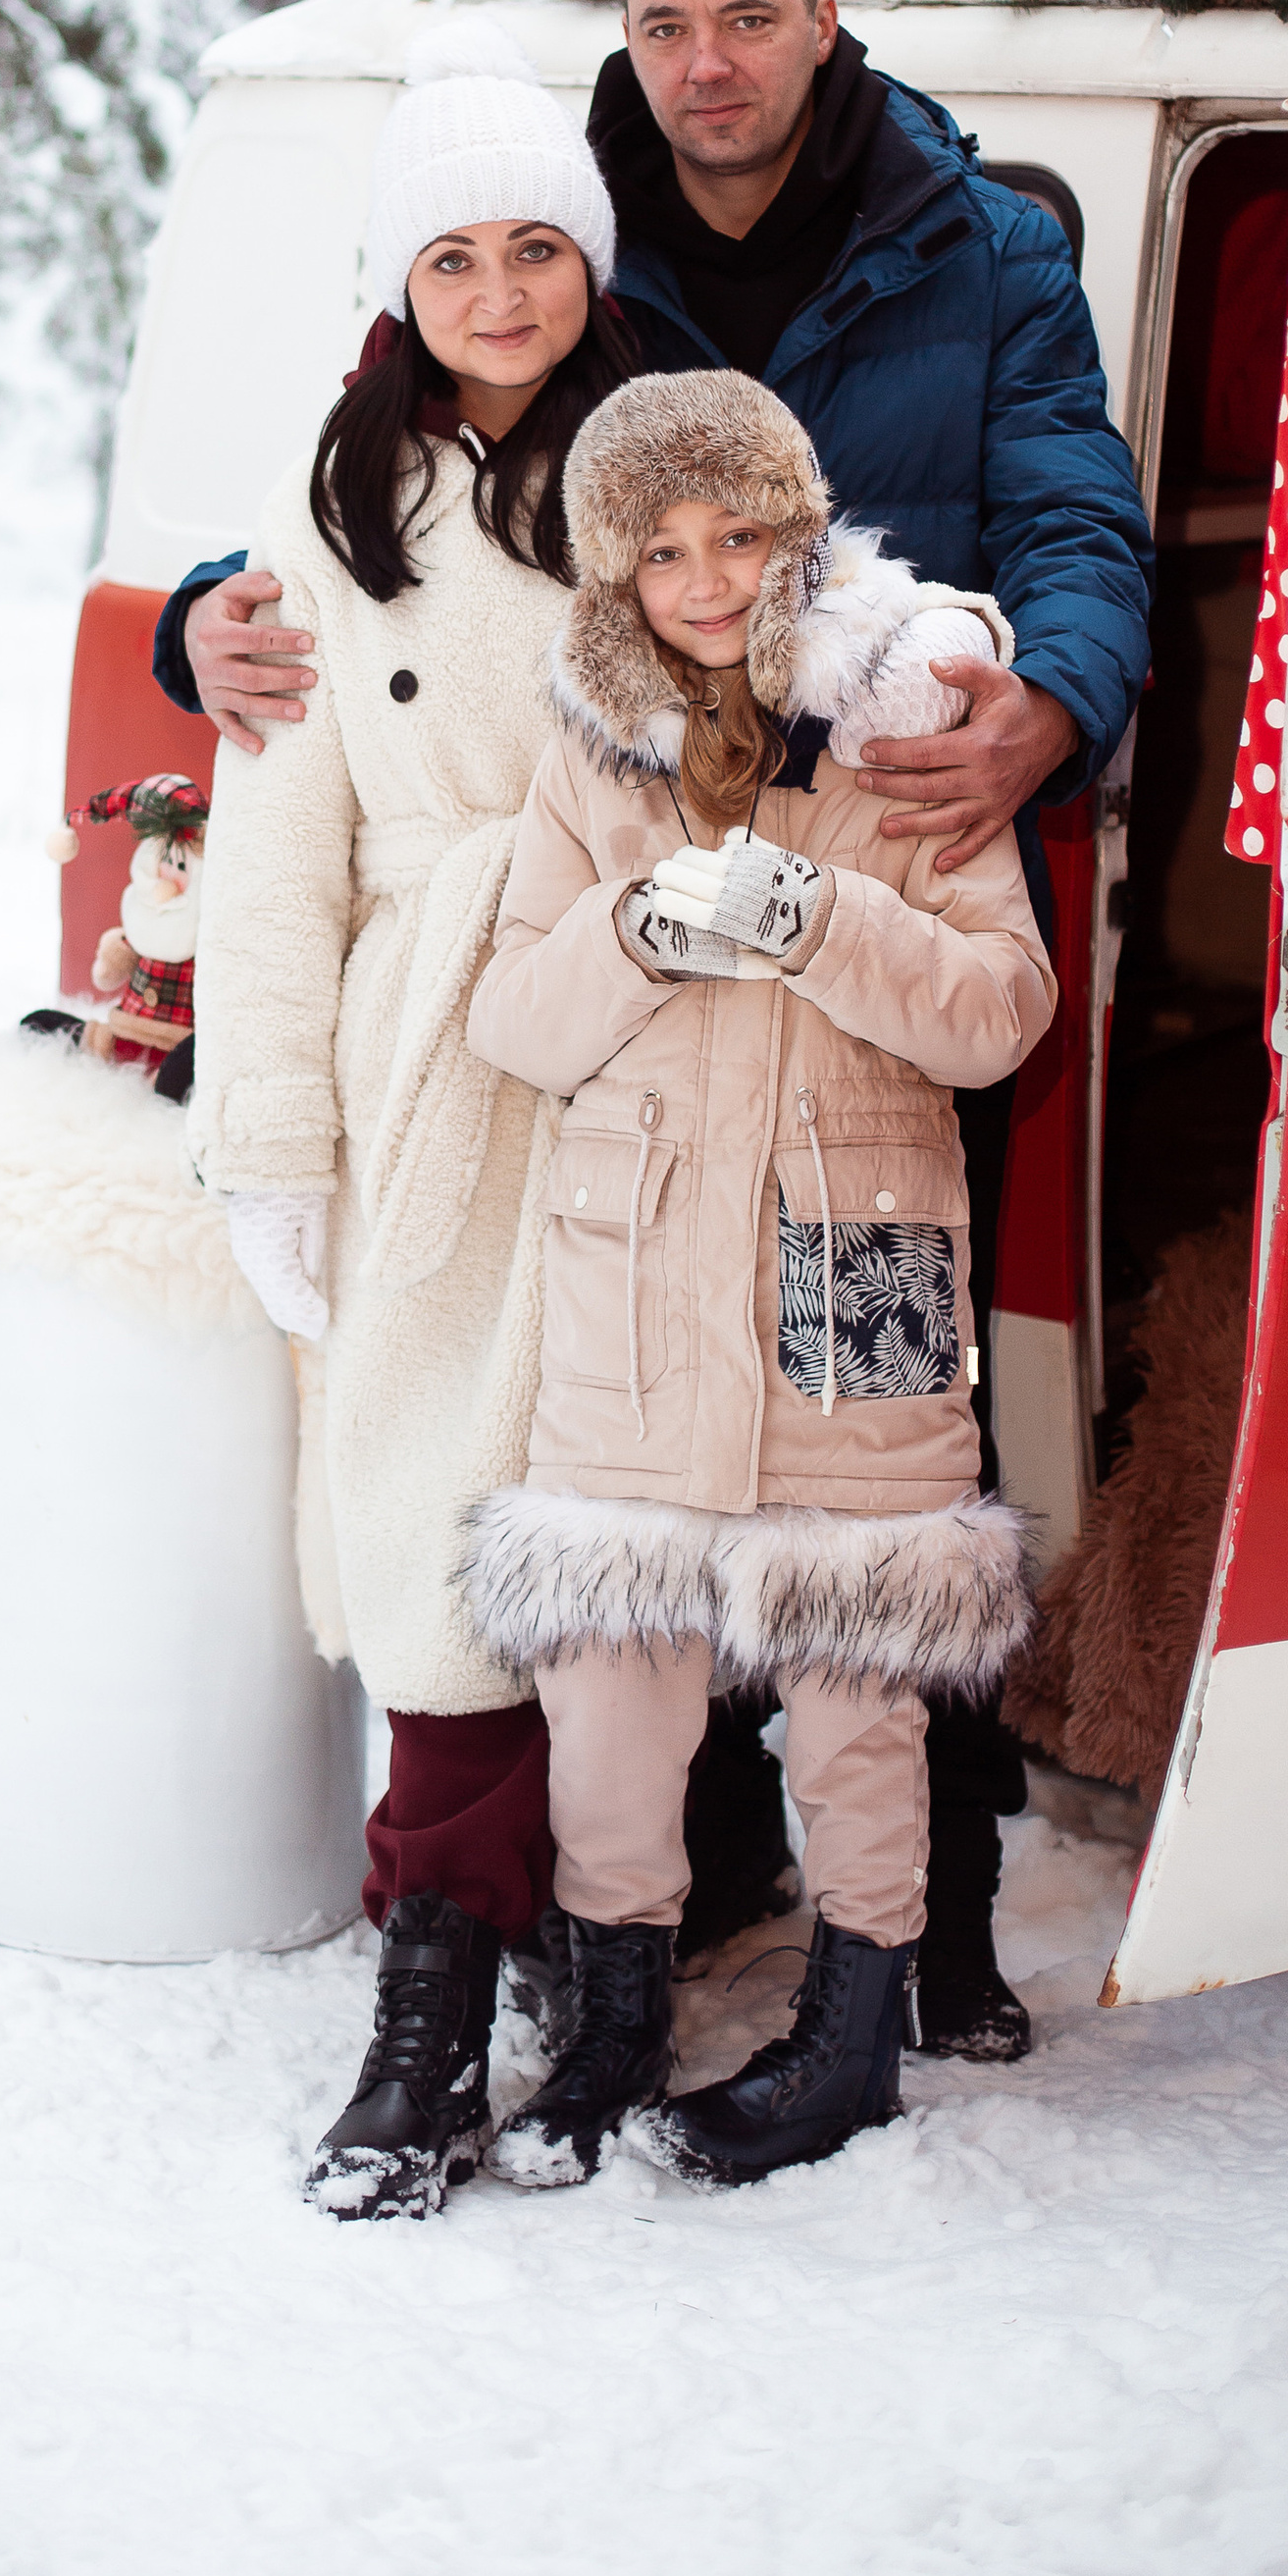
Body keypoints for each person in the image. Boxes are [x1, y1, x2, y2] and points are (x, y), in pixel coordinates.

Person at [158, 0, 1153, 2055]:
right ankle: (623, 1913)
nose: (702, 59)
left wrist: (1033, 687)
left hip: (865, 934)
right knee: (594, 1444)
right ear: (627, 37)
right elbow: (354, 528)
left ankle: (920, 1925)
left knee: (881, 1449)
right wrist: (191, 622)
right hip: (580, 998)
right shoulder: (549, 230)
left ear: (818, 20)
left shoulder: (970, 255)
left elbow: (1065, 514)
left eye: (745, 16)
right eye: (665, 20)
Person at [458, 371, 1053, 2191]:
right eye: (663, 551)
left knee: (861, 1662)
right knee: (614, 1687)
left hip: (853, 1256)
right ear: (613, 579)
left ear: (800, 532)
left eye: (741, 537)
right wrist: (641, 927)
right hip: (635, 1275)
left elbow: (1001, 1008)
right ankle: (612, 2017)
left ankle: (853, 2030)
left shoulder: (910, 709)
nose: (709, 581)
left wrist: (821, 923)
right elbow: (514, 1020)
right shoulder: (589, 753)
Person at [187, 21, 635, 2222]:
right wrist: (269, 1128)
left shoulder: (663, 456)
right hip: (420, 1047)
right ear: (399, 281)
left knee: (621, 1504)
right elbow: (271, 844)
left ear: (585, 257)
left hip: (645, 1028)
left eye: (533, 246)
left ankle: (603, 1927)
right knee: (436, 1509)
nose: (495, 292)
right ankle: (436, 1974)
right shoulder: (334, 492)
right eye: (449, 256)